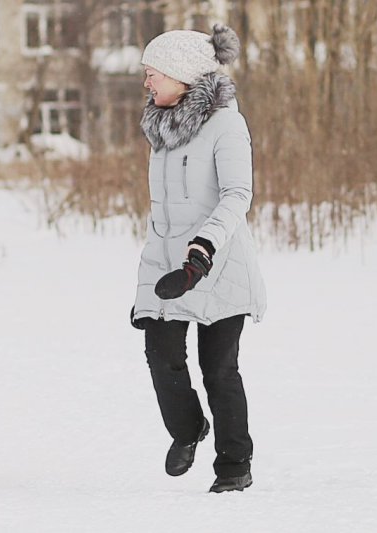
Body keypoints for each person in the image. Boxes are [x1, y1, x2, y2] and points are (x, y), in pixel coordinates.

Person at [131, 25, 267, 494]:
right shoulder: (161, 128)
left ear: (183, 74)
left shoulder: (226, 124)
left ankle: (234, 466)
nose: (147, 82)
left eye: (153, 73)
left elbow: (236, 194)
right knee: (160, 355)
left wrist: (202, 249)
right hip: (169, 268)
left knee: (219, 369)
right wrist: (145, 286)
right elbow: (162, 213)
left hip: (218, 262)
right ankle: (188, 430)